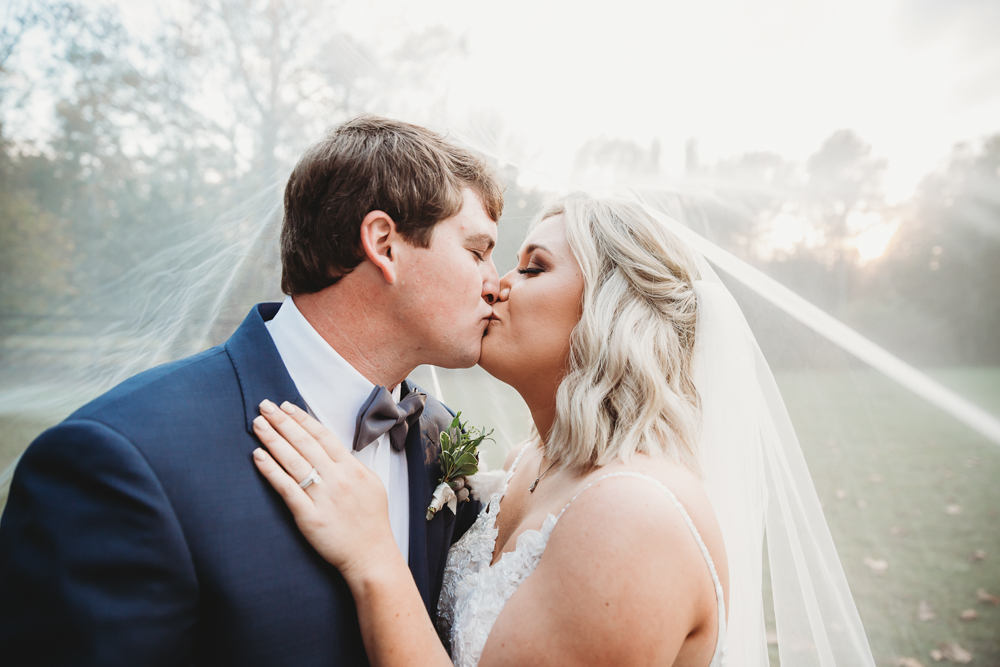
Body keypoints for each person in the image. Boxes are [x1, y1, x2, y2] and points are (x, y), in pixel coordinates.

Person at [250, 196, 879, 667]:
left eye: (532, 268)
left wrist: (372, 559)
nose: (494, 284)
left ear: (610, 310)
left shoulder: (632, 515)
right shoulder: (531, 464)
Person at [0, 115, 504, 665]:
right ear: (384, 243)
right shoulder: (120, 459)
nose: (495, 282)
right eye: (478, 251)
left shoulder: (438, 436)